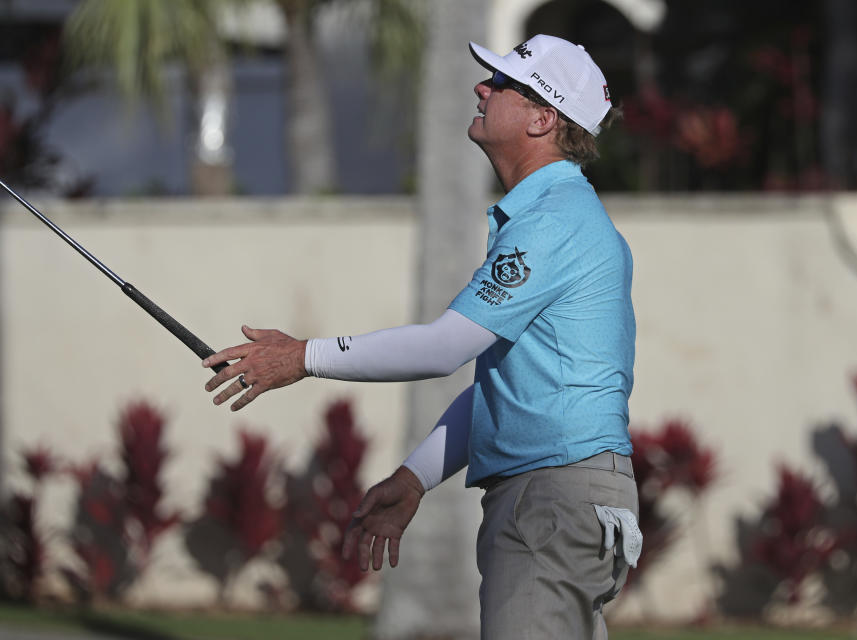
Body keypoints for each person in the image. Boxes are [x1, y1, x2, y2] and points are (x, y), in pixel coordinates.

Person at [203, 34, 642, 640]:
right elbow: (502, 389)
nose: (481, 87)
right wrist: (414, 479)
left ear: (543, 118)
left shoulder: (553, 221)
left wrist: (302, 357)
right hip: (561, 494)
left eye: (504, 84)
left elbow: (443, 349)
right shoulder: (553, 215)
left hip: (552, 496)